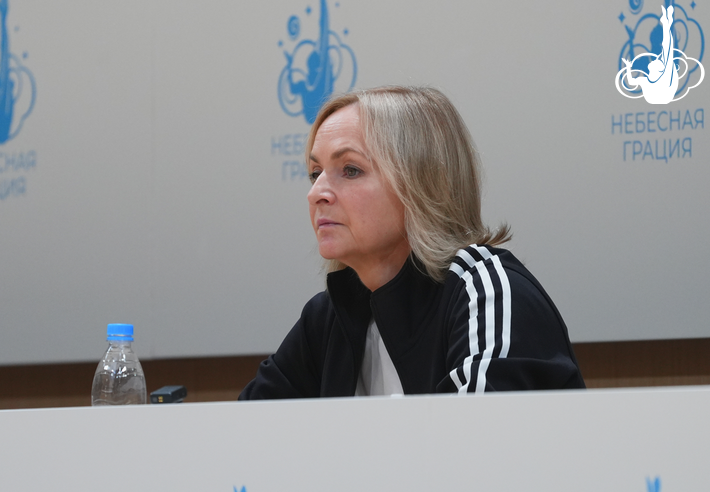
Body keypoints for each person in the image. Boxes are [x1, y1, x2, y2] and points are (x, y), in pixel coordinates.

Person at [240, 86, 584, 399]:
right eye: (315, 173)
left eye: (350, 170)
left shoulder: (486, 291)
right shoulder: (326, 317)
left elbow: (478, 448)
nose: (316, 194)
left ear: (422, 185)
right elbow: (242, 436)